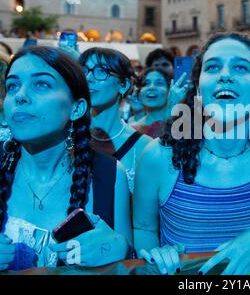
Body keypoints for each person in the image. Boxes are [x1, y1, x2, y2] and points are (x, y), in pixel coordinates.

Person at [133, 33, 250, 275]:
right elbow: (144, 229)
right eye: (213, 67)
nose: (225, 75)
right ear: (199, 90)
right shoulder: (159, 157)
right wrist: (155, 256)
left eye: (240, 67)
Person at [0, 46, 131, 271]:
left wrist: (121, 248)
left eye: (41, 84)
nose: (20, 95)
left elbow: (128, 261)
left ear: (76, 108)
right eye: (12, 86)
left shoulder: (108, 174)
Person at [79, 48, 152, 194]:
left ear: (123, 85)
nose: (89, 78)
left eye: (101, 71)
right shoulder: (67, 139)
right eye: (84, 70)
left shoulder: (145, 147)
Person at [131, 68, 171, 138]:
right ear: (139, 93)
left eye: (159, 83)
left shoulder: (182, 127)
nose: (151, 87)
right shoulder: (132, 130)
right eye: (146, 83)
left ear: (170, 91)